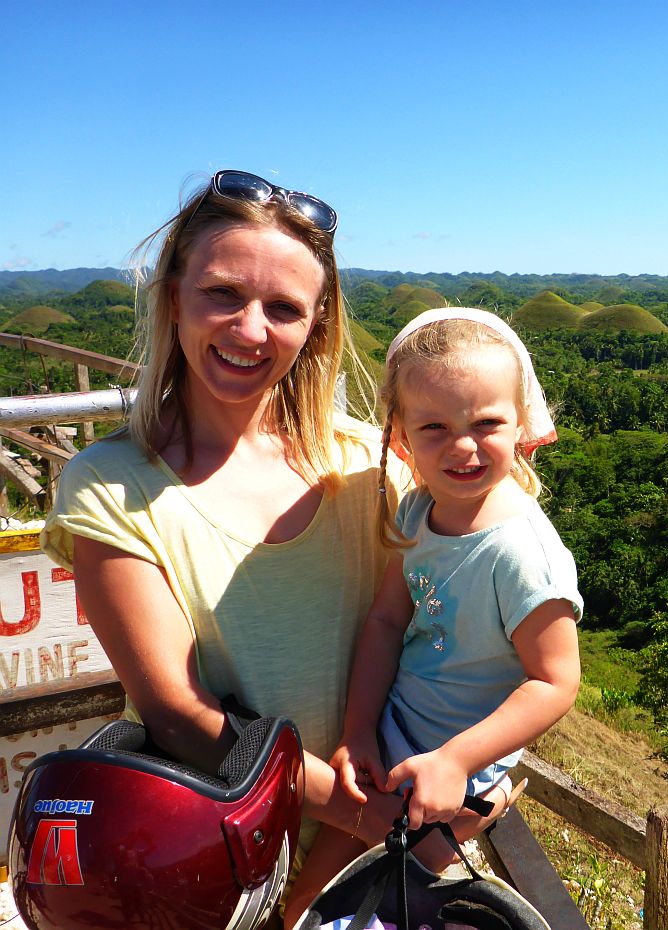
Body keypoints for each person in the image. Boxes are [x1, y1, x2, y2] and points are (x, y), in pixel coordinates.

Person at [39, 169, 410, 896]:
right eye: (222, 294)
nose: (250, 330)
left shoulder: (373, 467)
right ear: (172, 294)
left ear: (318, 324)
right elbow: (178, 715)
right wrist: (378, 821)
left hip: (365, 870)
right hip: (205, 869)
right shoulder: (114, 485)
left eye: (283, 307)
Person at [283, 309, 582, 926]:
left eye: (487, 423)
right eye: (436, 427)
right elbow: (387, 622)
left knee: (384, 902)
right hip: (396, 738)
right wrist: (358, 731)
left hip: (459, 768)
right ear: (401, 439)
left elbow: (556, 681)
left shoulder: (521, 551)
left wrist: (457, 762)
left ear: (521, 423)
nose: (464, 446)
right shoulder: (420, 509)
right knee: (314, 901)